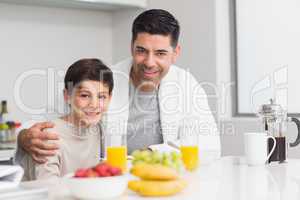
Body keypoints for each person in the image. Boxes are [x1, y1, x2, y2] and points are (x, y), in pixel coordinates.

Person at [16, 9, 221, 165]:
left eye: (160, 53)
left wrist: (149, 154)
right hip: (108, 183)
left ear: (176, 52)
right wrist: (25, 136)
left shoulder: (187, 85)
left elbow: (209, 146)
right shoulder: (103, 79)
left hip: (161, 181)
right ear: (131, 46)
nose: (149, 62)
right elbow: (42, 122)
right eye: (141, 50)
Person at [21, 58, 113, 180]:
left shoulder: (98, 129)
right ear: (67, 96)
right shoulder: (49, 136)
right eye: (85, 95)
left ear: (110, 98)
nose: (94, 104)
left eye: (101, 97)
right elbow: (48, 188)